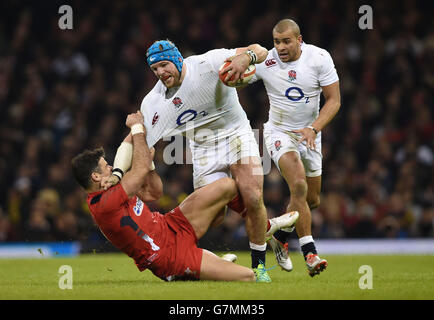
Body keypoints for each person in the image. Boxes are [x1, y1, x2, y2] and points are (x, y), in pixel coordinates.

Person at [108, 39, 297, 282]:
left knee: (252, 195)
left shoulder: (207, 63)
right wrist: (116, 173)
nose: (160, 73)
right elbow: (133, 140)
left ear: (177, 59)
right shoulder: (153, 102)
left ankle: (259, 269)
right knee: (215, 217)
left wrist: (245, 57)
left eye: (164, 65)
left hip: (235, 134)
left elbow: (260, 50)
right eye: (154, 69)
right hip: (203, 148)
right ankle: (268, 228)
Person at [71, 111, 257, 282]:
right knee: (248, 277)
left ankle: (254, 231)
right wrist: (136, 129)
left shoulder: (111, 187)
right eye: (106, 166)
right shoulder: (104, 203)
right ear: (95, 176)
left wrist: (142, 134)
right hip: (169, 257)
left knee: (227, 186)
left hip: (170, 225)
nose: (111, 168)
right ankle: (189, 272)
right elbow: (139, 168)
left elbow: (154, 192)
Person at [249, 19, 341, 277]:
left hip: (310, 133)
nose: (280, 47)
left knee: (311, 200)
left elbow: (334, 100)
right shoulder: (266, 62)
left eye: (286, 41)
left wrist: (314, 128)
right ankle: (310, 253)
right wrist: (235, 67)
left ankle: (279, 235)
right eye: (277, 42)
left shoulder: (319, 58)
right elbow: (238, 78)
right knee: (298, 185)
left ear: (299, 40)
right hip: (279, 132)